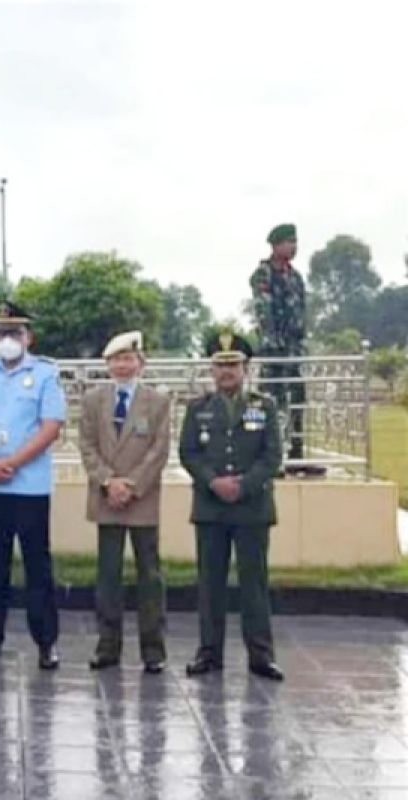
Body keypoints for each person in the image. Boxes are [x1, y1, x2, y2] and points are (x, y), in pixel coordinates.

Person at [0, 300, 66, 669]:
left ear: (28, 337)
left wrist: (13, 462)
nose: (6, 339)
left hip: (29, 486)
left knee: (37, 567)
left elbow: (51, 426)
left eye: (14, 333)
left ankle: (46, 642)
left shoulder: (44, 374)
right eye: (1, 333)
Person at [181, 331, 284, 681]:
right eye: (220, 365)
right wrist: (213, 482)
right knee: (210, 584)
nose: (226, 372)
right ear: (211, 368)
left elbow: (272, 456)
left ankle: (261, 655)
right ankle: (209, 653)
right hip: (211, 508)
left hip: (251, 507)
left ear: (246, 367)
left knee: (254, 583)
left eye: (233, 365)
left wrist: (242, 485)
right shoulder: (198, 408)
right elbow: (188, 452)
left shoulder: (263, 406)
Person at [78, 331, 170, 674]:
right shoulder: (92, 400)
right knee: (108, 575)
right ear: (108, 364)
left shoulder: (158, 402)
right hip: (106, 498)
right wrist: (108, 482)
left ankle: (153, 649)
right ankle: (108, 646)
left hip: (141, 498)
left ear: (140, 364)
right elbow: (86, 445)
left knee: (149, 575)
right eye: (116, 359)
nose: (122, 365)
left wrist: (131, 486)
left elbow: (159, 450)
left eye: (128, 359)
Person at [249, 223, 306, 464]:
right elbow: (264, 311)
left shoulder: (295, 276)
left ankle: (296, 447)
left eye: (295, 242)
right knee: (270, 400)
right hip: (275, 350)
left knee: (298, 397)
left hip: (294, 349)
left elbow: (302, 311)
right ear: (275, 245)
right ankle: (268, 450)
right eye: (288, 242)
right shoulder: (264, 274)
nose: (293, 247)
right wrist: (273, 343)